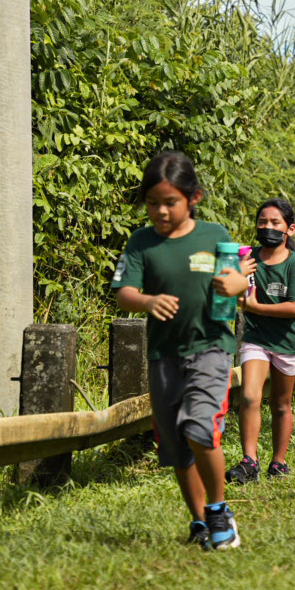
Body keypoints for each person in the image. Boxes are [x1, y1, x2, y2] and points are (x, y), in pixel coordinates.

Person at [112, 151, 253, 548]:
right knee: (177, 444)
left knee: (199, 427)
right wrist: (147, 301)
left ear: (193, 198)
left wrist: (235, 284)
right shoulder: (141, 242)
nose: (160, 211)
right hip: (164, 355)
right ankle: (199, 521)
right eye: (152, 202)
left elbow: (237, 280)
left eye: (170, 202)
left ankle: (219, 510)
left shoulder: (214, 234)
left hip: (210, 348)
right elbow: (124, 292)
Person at [228, 199, 295, 484]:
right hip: (256, 338)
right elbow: (230, 291)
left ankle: (279, 461)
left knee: (280, 404)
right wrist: (237, 274)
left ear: (290, 229)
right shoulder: (248, 258)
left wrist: (256, 308)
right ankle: (249, 461)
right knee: (250, 396)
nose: (268, 227)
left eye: (275, 223)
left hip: (287, 342)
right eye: (262, 222)